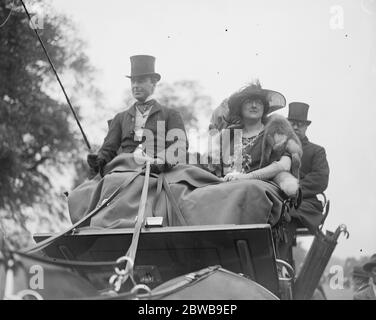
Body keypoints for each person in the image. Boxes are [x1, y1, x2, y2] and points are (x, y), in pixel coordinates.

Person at [87, 55, 188, 176]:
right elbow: (108, 149)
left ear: (153, 83)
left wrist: (161, 161)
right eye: (132, 81)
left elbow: (179, 146)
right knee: (83, 193)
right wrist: (99, 159)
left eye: (140, 81)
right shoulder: (120, 118)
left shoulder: (171, 115)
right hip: (123, 168)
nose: (135, 85)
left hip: (158, 171)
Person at [278, 102, 330, 263]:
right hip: (278, 198)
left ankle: (279, 262)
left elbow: (320, 179)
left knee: (288, 213)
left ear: (306, 127)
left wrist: (293, 189)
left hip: (305, 202)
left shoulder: (316, 151)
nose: (295, 127)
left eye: (300, 124)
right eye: (292, 123)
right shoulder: (278, 150)